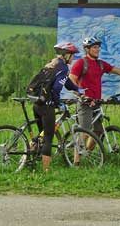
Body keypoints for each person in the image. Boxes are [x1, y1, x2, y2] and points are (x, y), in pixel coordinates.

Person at [69, 36, 120, 138]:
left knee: (98, 132)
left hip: (97, 102)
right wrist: (82, 95)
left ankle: (88, 153)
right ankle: (77, 154)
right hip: (85, 103)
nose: (97, 49)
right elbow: (71, 80)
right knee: (84, 133)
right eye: (94, 47)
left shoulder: (101, 64)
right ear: (87, 49)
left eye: (98, 47)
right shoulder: (81, 63)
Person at [33, 41, 80, 171]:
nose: (73, 58)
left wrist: (77, 89)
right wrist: (58, 103)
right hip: (47, 105)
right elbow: (56, 89)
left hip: (37, 103)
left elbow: (66, 82)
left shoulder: (52, 63)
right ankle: (46, 171)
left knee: (41, 136)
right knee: (48, 137)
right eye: (72, 55)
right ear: (66, 55)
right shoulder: (64, 68)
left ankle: (27, 159)